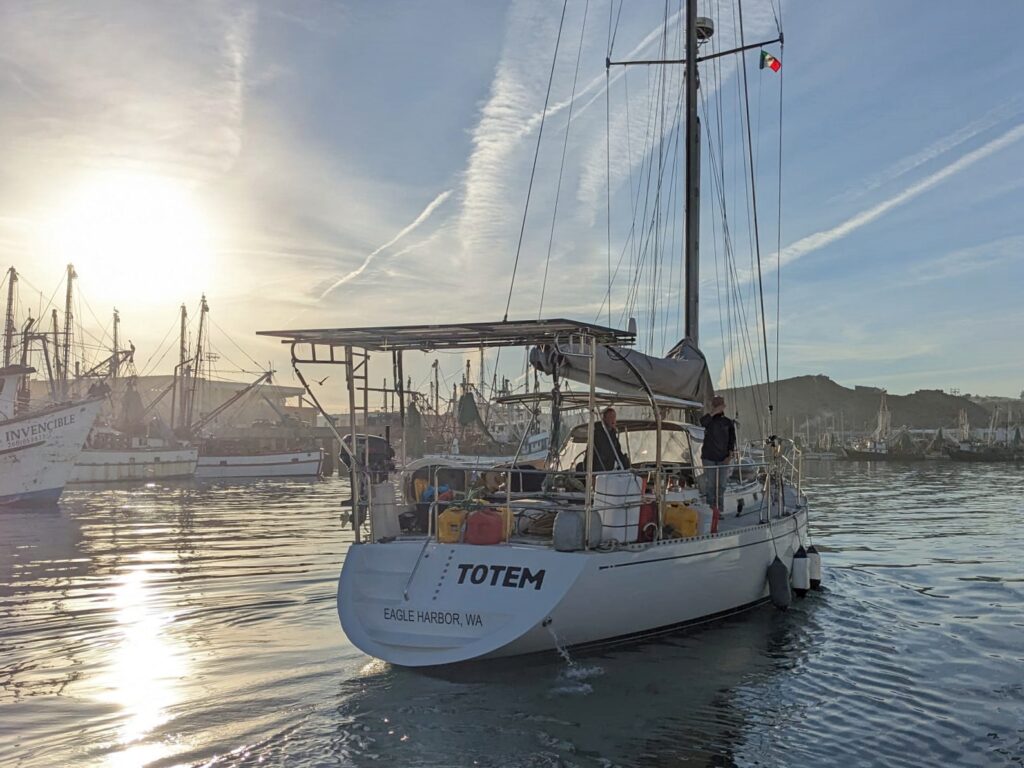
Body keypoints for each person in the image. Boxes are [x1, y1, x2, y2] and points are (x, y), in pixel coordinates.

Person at [700, 395, 736, 512]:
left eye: (719, 405)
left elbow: (732, 441)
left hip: (723, 458)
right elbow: (702, 423)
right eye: (716, 405)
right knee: (710, 485)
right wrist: (713, 412)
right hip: (709, 457)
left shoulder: (728, 422)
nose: (718, 407)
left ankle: (719, 509)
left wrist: (729, 456)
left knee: (721, 486)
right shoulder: (708, 420)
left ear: (724, 406)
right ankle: (711, 511)